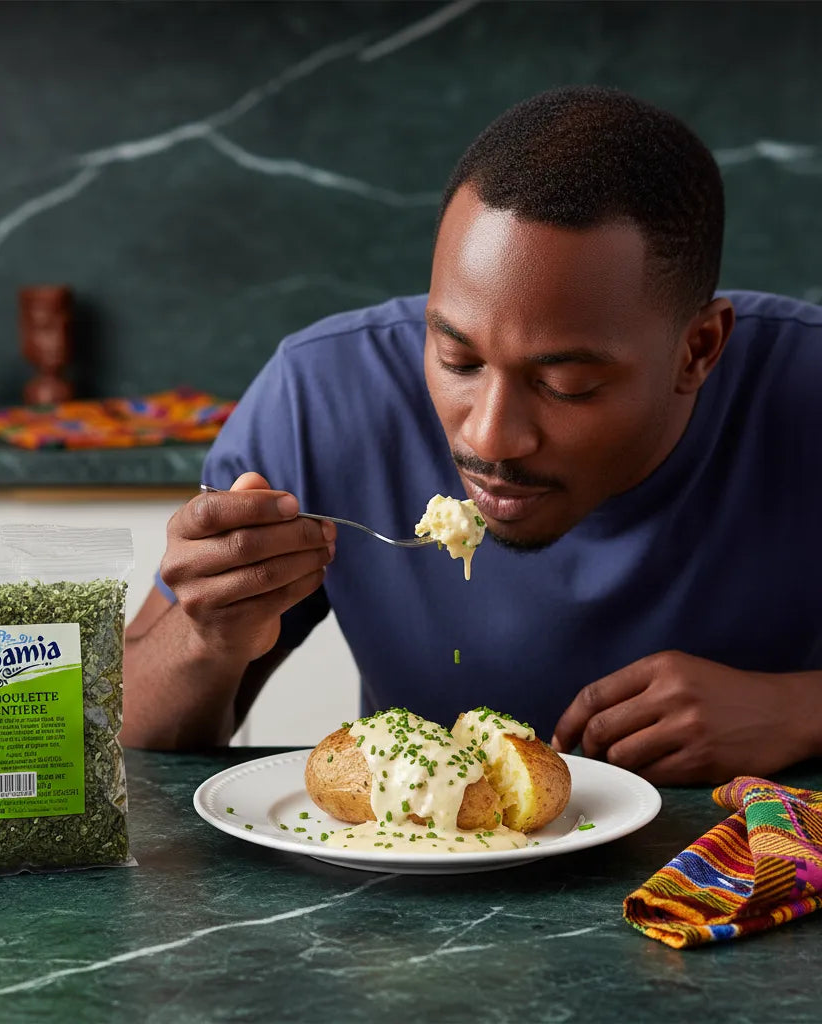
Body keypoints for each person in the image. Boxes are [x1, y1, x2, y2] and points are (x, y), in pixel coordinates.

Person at [120, 85, 822, 785]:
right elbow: (123, 730)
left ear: (697, 350)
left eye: (565, 385)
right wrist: (207, 637)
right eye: (458, 360)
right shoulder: (323, 398)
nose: (490, 438)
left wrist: (799, 709)